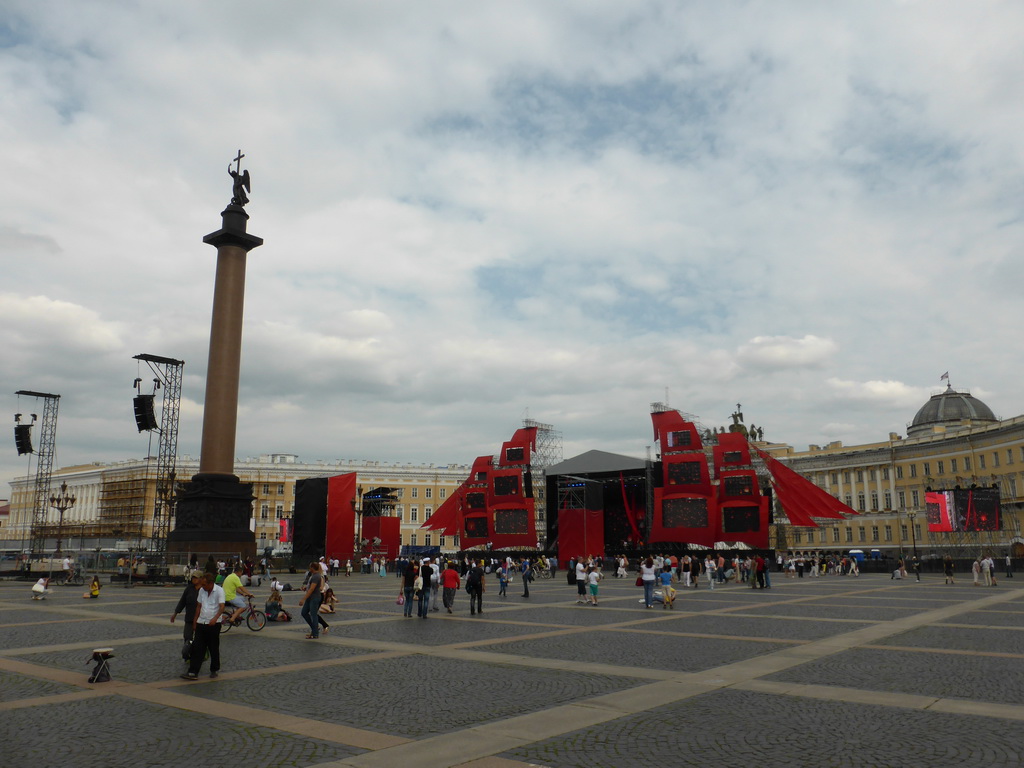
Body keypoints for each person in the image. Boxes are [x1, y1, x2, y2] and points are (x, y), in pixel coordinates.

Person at [181, 573, 224, 680]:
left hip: (214, 624)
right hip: (201, 622)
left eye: (205, 585)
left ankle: (214, 669)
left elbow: (222, 607)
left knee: (213, 647)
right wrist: (195, 621)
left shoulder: (219, 590)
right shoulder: (201, 591)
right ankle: (193, 672)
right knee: (197, 648)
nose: (203, 587)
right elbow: (199, 606)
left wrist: (215, 618)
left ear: (211, 583)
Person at [171, 571, 203, 658]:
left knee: (200, 638)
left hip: (201, 619)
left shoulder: (204, 589)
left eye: (196, 578)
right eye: (193, 578)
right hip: (189, 618)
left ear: (201, 579)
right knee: (187, 637)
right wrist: (175, 613)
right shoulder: (189, 589)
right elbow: (182, 602)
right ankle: (188, 654)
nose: (194, 579)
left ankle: (199, 655)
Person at [299, 561, 324, 638]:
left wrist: (303, 599)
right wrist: (305, 588)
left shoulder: (316, 576)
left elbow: (312, 589)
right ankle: (314, 628)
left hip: (314, 598)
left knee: (313, 615)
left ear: (313, 568)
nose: (309, 568)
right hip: (310, 598)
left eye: (310, 567)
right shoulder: (313, 575)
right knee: (304, 613)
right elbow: (310, 586)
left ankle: (315, 633)